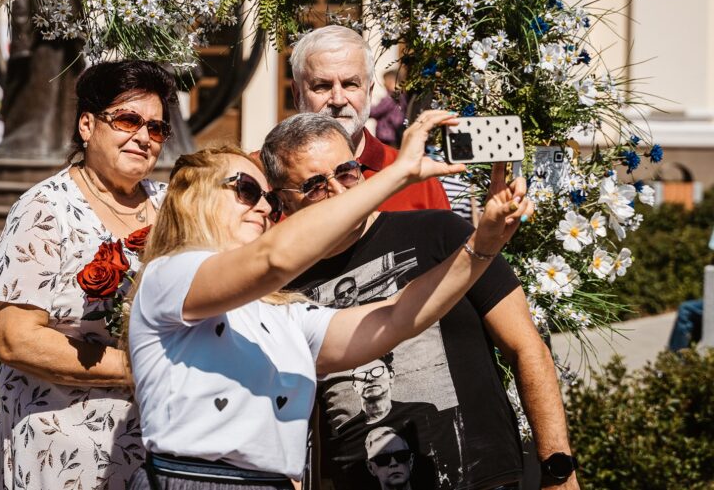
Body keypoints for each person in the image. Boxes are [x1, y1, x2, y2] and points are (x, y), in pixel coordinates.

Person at [126, 110, 533, 489]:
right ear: (191, 198)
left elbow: (393, 318)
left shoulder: (278, 306)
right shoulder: (171, 275)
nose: (265, 206)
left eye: (268, 196)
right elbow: (273, 258)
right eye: (247, 190)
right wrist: (398, 174)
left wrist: (482, 246)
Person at [261, 113, 579, 490]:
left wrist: (559, 472)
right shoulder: (280, 289)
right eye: (315, 185)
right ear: (283, 201)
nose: (340, 192)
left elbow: (527, 349)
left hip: (485, 479)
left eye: (346, 172)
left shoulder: (443, 233)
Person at [0, 60, 177, 489]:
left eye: (157, 128)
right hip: (64, 449)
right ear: (87, 125)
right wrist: (137, 367)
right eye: (128, 120)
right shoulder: (45, 209)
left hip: (161, 445)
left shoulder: (171, 207)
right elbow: (16, 339)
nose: (143, 137)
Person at [290, 25, 450, 212]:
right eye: (322, 86)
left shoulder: (418, 181)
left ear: (369, 91)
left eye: (350, 84)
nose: (338, 100)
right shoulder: (261, 181)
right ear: (297, 94)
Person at [369, 68, 406, 148]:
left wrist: (363, 109)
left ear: (391, 81)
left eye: (385, 81)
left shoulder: (391, 97)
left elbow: (376, 111)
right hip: (395, 134)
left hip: (387, 135)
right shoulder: (402, 96)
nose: (384, 84)